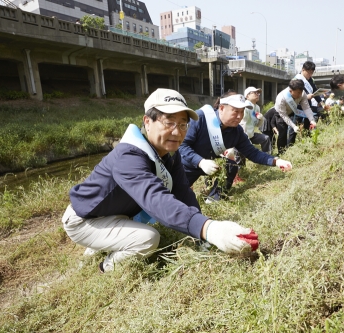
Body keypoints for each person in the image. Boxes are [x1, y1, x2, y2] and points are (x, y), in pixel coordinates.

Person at [61, 88, 259, 273]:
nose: (177, 131)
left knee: (151, 227)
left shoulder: (169, 153)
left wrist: (202, 235)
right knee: (148, 238)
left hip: (117, 214)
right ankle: (105, 266)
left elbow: (182, 191)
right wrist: (209, 229)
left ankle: (101, 242)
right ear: (147, 122)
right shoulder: (129, 156)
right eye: (169, 123)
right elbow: (156, 199)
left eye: (183, 124)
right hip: (85, 220)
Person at [179, 91, 292, 202]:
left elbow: (252, 152)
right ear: (222, 108)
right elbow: (182, 145)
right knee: (176, 196)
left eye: (242, 112)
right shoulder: (200, 118)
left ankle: (215, 198)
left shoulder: (236, 131)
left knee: (230, 165)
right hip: (186, 165)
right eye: (235, 111)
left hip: (212, 163)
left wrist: (276, 161)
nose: (239, 116)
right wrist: (200, 162)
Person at [272, 79, 317, 154]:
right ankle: (281, 153)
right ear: (290, 91)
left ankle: (290, 147)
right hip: (280, 114)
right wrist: (293, 126)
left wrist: (312, 120)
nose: (300, 95)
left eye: (301, 92)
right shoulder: (281, 98)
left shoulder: (302, 93)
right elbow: (283, 115)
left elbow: (306, 107)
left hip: (292, 111)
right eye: (298, 93)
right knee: (283, 133)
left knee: (293, 132)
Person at [291, 61, 324, 136]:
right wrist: (306, 96)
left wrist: (321, 102)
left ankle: (306, 142)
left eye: (312, 73)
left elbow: (315, 91)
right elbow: (294, 94)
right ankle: (290, 146)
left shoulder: (310, 80)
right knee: (293, 130)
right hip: (297, 107)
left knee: (307, 129)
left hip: (307, 107)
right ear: (303, 70)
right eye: (308, 73)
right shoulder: (296, 79)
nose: (310, 75)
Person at [241, 87, 271, 154]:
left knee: (266, 138)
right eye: (255, 93)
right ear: (247, 96)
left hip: (251, 134)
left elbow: (257, 125)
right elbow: (243, 123)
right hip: (243, 135)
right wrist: (246, 139)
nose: (257, 94)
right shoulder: (245, 106)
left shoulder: (257, 107)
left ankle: (267, 157)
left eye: (258, 93)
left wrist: (261, 119)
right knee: (241, 152)